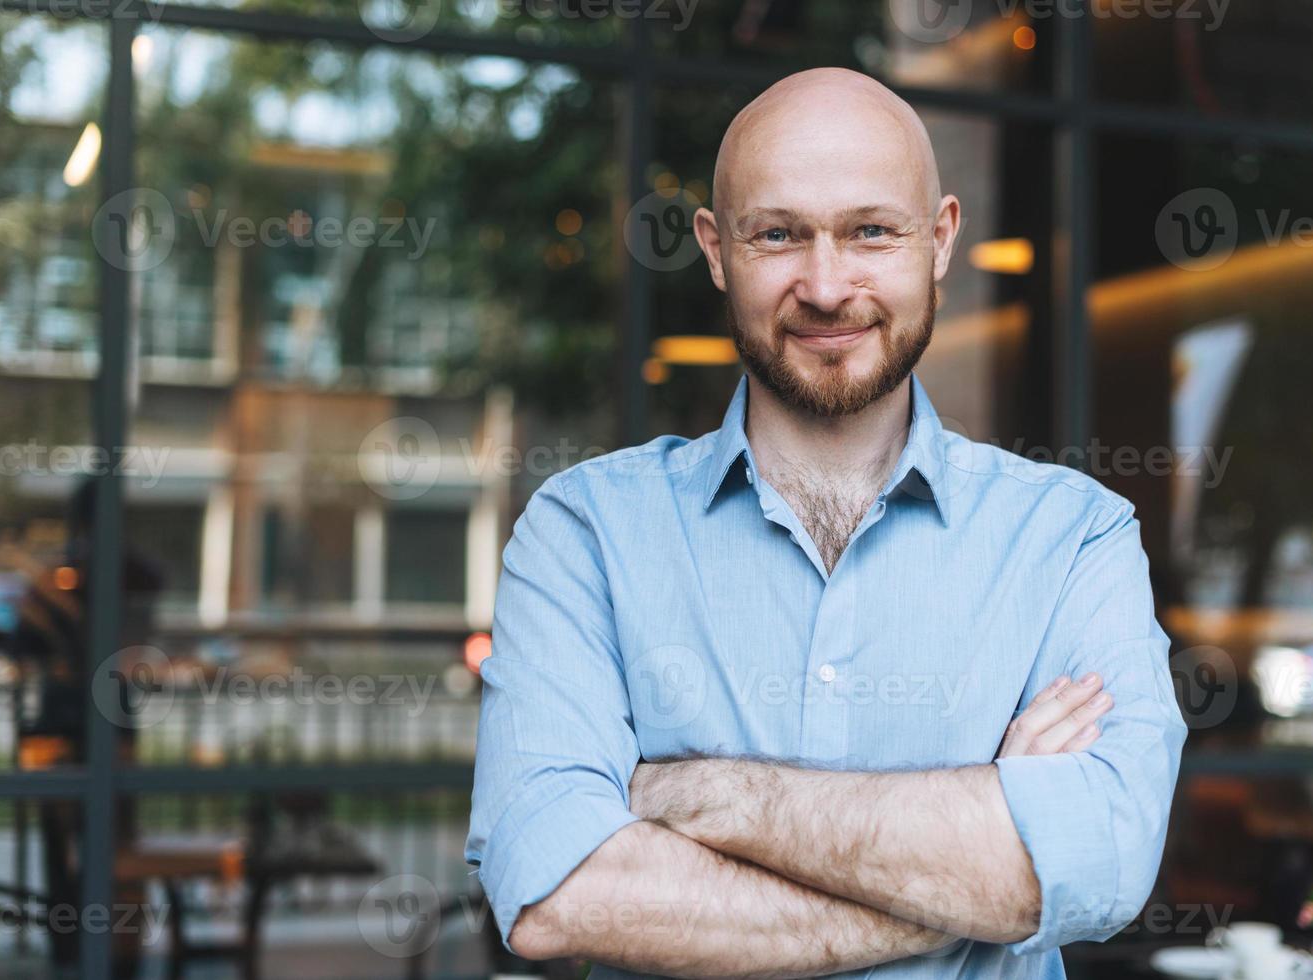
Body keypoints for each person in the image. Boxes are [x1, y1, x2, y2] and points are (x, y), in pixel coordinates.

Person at [466, 67, 1187, 978]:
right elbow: (556, 895)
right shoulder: (584, 535)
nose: (826, 284)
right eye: (778, 235)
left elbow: (1102, 863)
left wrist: (702, 796)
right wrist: (980, 873)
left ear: (939, 240)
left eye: (870, 232)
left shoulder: (1075, 538)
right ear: (717, 250)